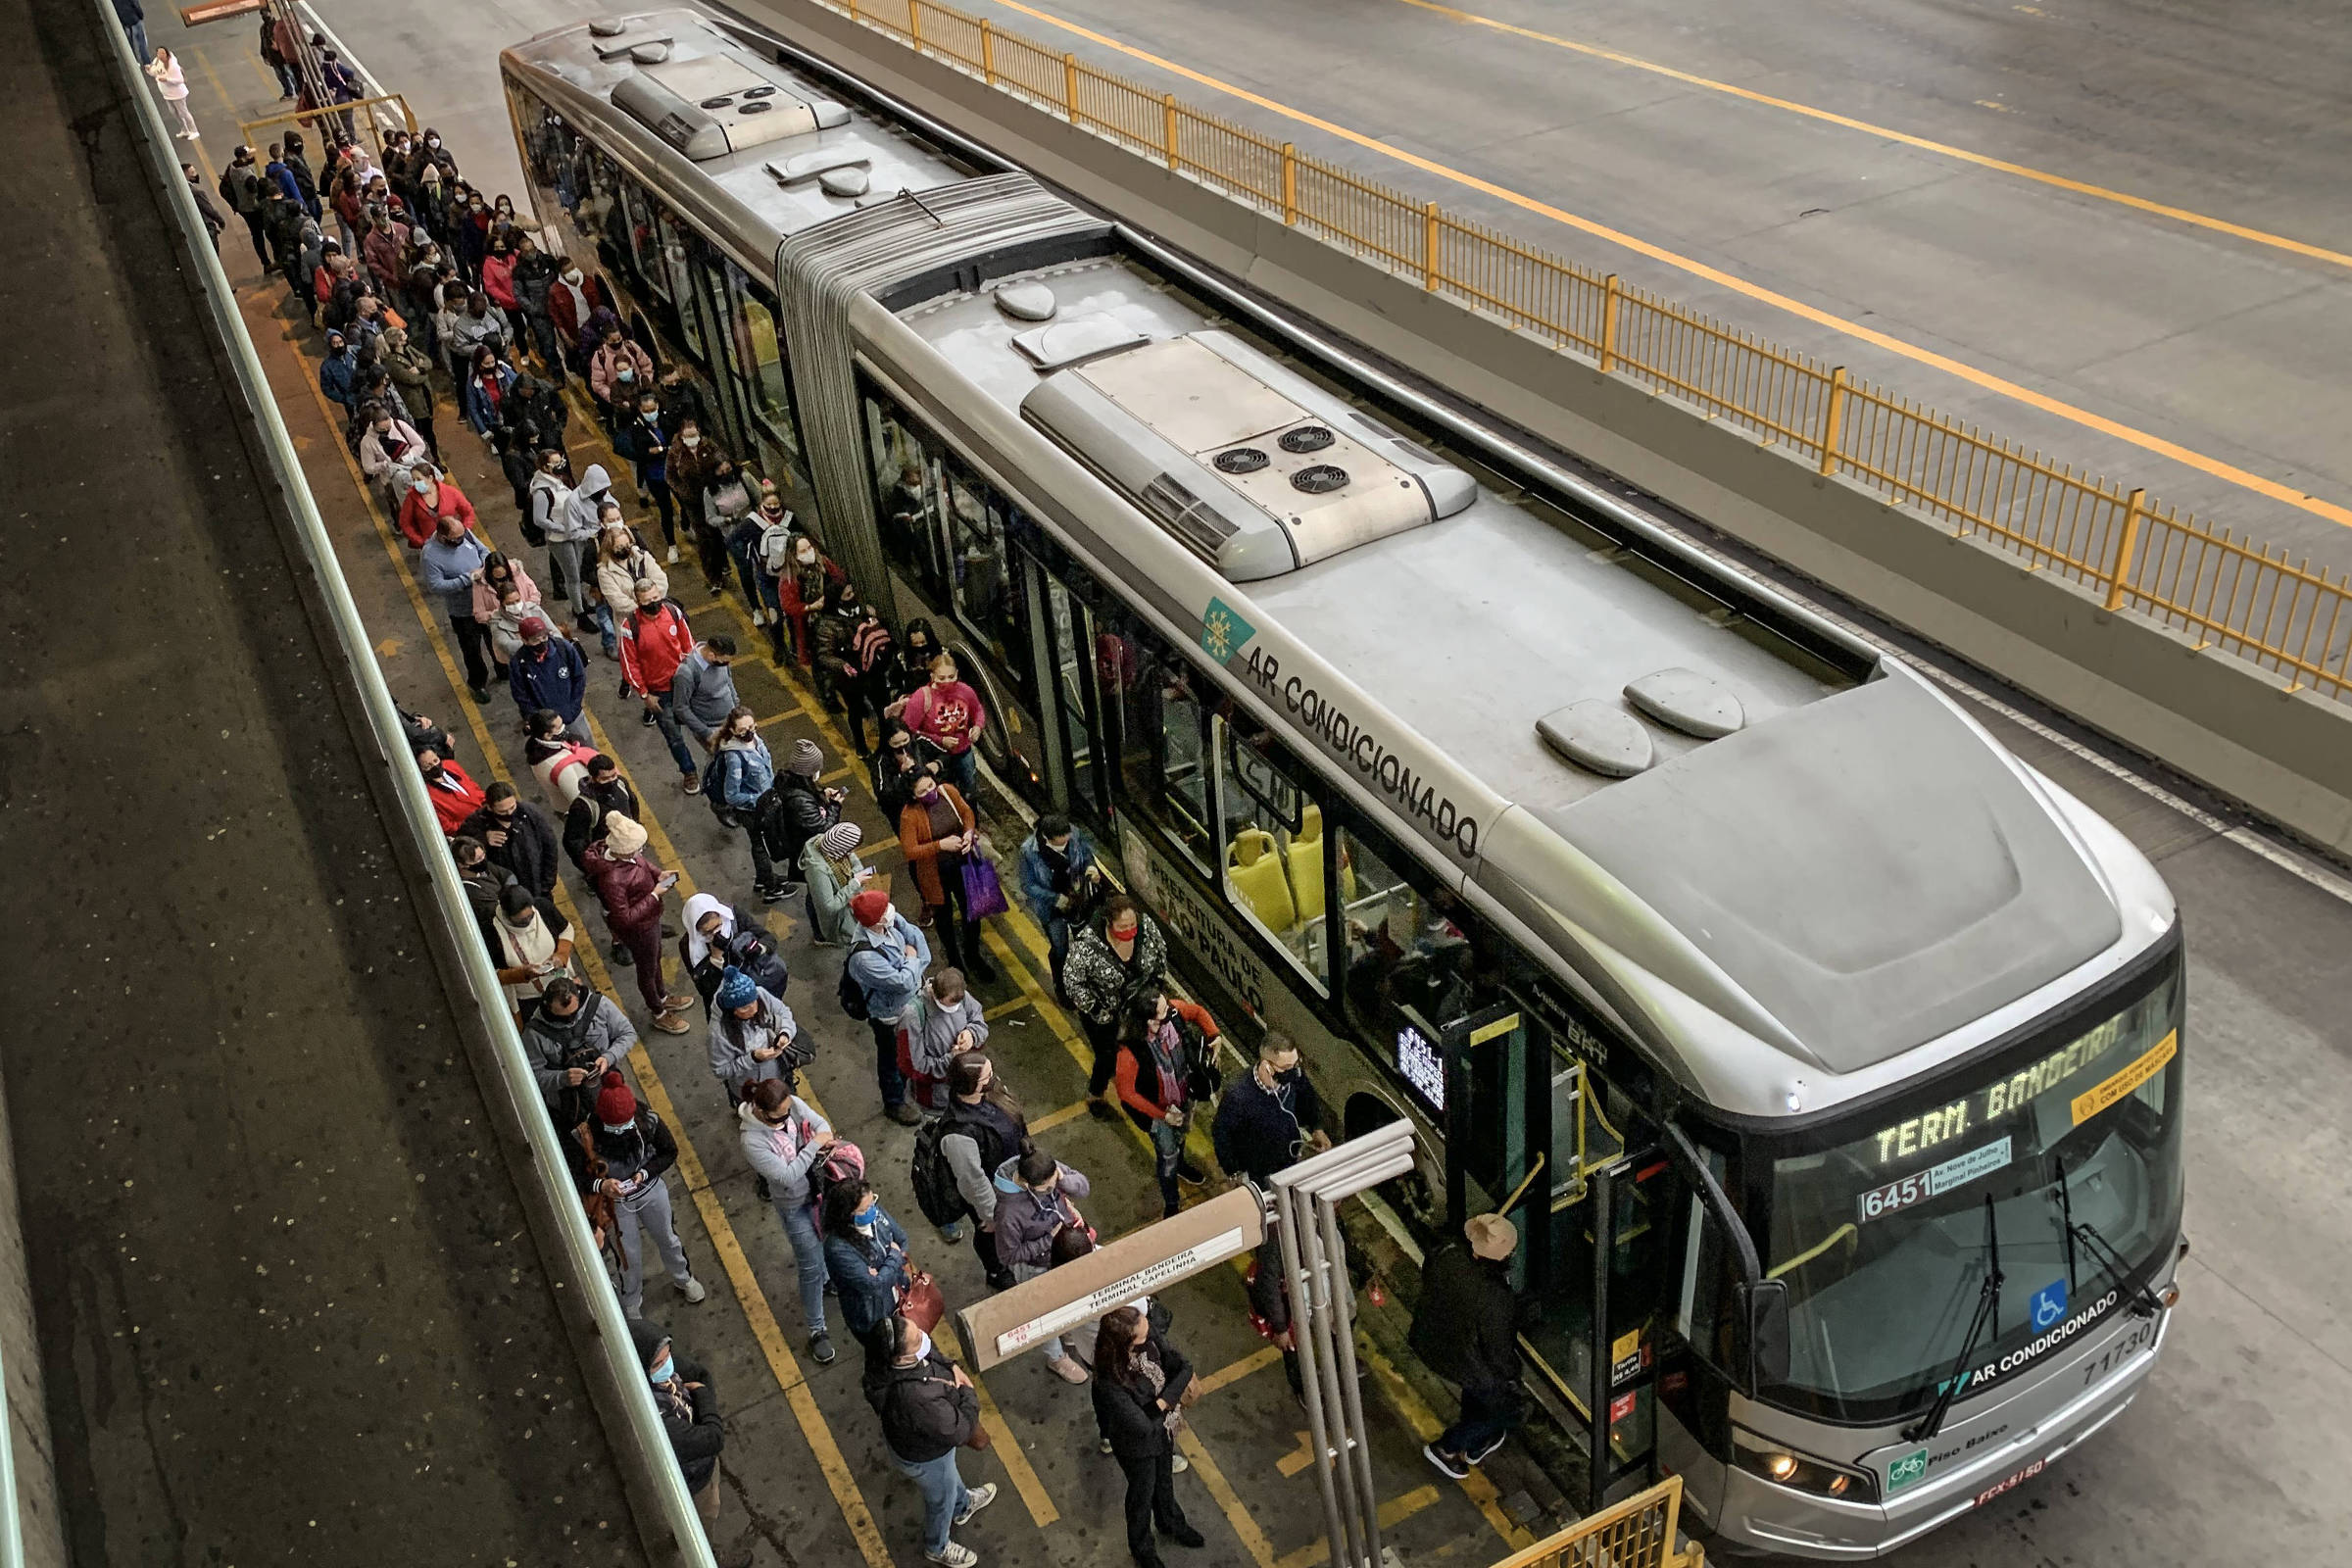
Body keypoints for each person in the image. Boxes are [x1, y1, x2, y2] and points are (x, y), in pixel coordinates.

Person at [864, 1312, 996, 1568]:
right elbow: (958, 1431)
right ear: (901, 1358)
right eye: (917, 1339)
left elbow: (930, 1354)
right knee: (940, 1500)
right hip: (926, 1457)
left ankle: (963, 1505)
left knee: (948, 1481)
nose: (923, 1338)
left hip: (925, 1448)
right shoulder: (916, 1399)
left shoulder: (885, 1361)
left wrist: (952, 1365)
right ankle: (937, 1546)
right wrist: (968, 1393)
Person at [629, 1319, 753, 1568]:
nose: (668, 1366)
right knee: (700, 1524)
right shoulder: (658, 1418)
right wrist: (704, 1397)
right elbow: (713, 1438)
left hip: (701, 1465)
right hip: (692, 1482)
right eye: (659, 1363)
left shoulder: (658, 1375)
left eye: (668, 1356)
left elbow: (700, 1373)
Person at [1411, 1213, 1524, 1480]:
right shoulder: (1495, 1299)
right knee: (1507, 1409)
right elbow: (1499, 1354)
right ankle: (1447, 1448)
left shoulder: (1447, 1254)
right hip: (1463, 1359)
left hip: (1431, 1338)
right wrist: (1512, 1376)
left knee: (1479, 1391)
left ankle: (1477, 1441)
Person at [1091, 1305, 1205, 1567]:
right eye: (1142, 1337)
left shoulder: (1146, 1335)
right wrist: (1167, 1400)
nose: (1149, 1336)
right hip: (1135, 1447)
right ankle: (1142, 1548)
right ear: (1125, 1345)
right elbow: (1141, 1426)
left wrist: (1159, 1405)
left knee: (1164, 1481)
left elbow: (1184, 1366)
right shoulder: (1109, 1380)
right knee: (1142, 1494)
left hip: (1161, 1430)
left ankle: (1170, 1523)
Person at [586, 1071, 709, 1314]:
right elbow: (578, 1172)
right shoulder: (586, 1136)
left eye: (625, 1123)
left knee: (668, 1237)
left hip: (651, 1190)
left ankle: (683, 1277)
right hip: (616, 1203)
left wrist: (645, 1172)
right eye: (616, 1125)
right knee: (627, 1253)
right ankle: (631, 1299)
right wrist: (602, 1186)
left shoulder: (648, 1121)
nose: (622, 1129)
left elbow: (669, 1151)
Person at [737, 1079, 838, 1364]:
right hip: (794, 1205)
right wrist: (814, 1145)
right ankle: (817, 1329)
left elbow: (821, 1124)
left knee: (828, 1245)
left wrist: (818, 1138)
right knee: (810, 1267)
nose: (786, 1116)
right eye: (779, 1115)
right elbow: (786, 1176)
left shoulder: (791, 1105)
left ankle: (829, 1281)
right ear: (760, 1111)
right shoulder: (752, 1141)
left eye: (788, 1109)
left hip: (820, 1189)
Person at [581, 812, 696, 1033]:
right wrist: (653, 895)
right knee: (647, 969)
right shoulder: (612, 879)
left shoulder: (625, 855)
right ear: (624, 850)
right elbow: (623, 918)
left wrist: (659, 874)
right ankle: (658, 1012)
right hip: (639, 929)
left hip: (649, 922)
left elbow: (642, 864)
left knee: (654, 960)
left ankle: (662, 995)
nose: (641, 852)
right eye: (637, 848)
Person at [991, 1147, 1093, 1385]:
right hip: (1036, 1267)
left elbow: (1083, 1187)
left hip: (1065, 1256)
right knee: (1043, 1315)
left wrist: (1064, 1180)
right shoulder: (1008, 1213)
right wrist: (1049, 1239)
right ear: (1026, 1184)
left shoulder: (1047, 1168)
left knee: (1067, 1300)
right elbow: (1008, 1255)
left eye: (1054, 1182)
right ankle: (1056, 1357)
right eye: (1046, 1189)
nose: (1052, 1190)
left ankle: (1066, 1328)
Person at [1066, 896, 1170, 1119]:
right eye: (1123, 927)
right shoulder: (1087, 946)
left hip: (1139, 1008)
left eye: (1133, 924)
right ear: (1108, 923)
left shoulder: (1146, 927)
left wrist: (1157, 987)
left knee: (1145, 1049)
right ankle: (1096, 1093)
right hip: (1105, 1015)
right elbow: (1073, 981)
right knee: (1107, 1058)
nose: (1130, 930)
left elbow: (1161, 951)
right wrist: (1095, 1009)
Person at [1115, 992, 1215, 1218]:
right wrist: (1162, 1115)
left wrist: (1213, 1033)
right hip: (1159, 1113)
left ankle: (1181, 1164)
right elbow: (1127, 1093)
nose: (1170, 1010)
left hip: (1183, 1097)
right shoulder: (1129, 1052)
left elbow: (1197, 1011)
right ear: (1149, 1021)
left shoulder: (1173, 1015)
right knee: (1166, 1156)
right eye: (1163, 1011)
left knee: (1181, 1136)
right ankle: (1172, 1200)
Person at [935, 1054, 1027, 1289]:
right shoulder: (958, 1135)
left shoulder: (992, 1093)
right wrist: (992, 1216)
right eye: (986, 1076)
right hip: (994, 1195)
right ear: (970, 1086)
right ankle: (996, 1270)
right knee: (990, 1236)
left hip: (1014, 1180)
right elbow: (973, 1183)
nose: (993, 1078)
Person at [899, 769, 995, 983]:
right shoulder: (909, 815)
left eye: (931, 786)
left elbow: (966, 812)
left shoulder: (948, 792)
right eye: (922, 791)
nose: (930, 793)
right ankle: (954, 960)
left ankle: (973, 955)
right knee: (944, 918)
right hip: (936, 873)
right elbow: (910, 850)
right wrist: (940, 845)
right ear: (914, 795)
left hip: (963, 865)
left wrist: (969, 832)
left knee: (973, 911)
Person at [845, 887, 928, 1127]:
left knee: (909, 1049)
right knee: (892, 1058)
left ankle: (909, 1077)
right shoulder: (864, 958)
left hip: (910, 1002)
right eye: (885, 909)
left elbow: (919, 941)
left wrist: (912, 963)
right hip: (889, 1015)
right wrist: (912, 960)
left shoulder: (889, 921)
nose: (892, 911)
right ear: (876, 919)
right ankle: (894, 1102)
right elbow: (902, 983)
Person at [521, 975, 630, 1157]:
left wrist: (608, 1057)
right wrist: (562, 1078)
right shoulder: (534, 1034)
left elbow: (627, 1033)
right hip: (570, 1107)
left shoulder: (598, 1005)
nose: (570, 1021)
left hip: (609, 1089)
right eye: (562, 1018)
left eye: (574, 1013)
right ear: (548, 1008)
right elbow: (531, 1077)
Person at [1211, 1033, 1330, 1189]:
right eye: (1287, 1068)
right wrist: (1234, 1171)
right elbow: (1221, 1134)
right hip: (1259, 1170)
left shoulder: (1294, 1077)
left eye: (1295, 1064)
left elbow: (1307, 1097)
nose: (1294, 1071)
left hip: (1290, 1155)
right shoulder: (1238, 1096)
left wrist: (1317, 1127)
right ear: (1267, 1066)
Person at [619, 581, 703, 791]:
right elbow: (630, 664)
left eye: (656, 598)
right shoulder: (630, 628)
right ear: (638, 602)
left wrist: (693, 674)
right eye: (647, 601)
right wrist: (645, 695)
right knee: (674, 736)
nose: (654, 604)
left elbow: (688, 644)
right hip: (659, 693)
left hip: (684, 685)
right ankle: (688, 771)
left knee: (703, 725)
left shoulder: (673, 612)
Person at [708, 708, 790, 901]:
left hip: (767, 802)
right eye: (743, 730)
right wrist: (759, 800)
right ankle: (771, 888)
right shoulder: (734, 757)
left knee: (761, 844)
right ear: (733, 731)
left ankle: (763, 879)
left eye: (752, 726)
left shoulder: (755, 742)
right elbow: (732, 795)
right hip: (753, 812)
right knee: (760, 846)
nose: (749, 732)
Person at [821, 1180, 912, 1351]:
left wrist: (882, 1272)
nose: (873, 1211)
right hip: (873, 1317)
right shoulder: (838, 1248)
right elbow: (874, 1286)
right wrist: (894, 1256)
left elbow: (902, 1240)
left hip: (900, 1297)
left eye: (872, 1203)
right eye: (864, 1210)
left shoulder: (877, 1215)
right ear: (846, 1215)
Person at [1017, 813, 1101, 998]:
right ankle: (1062, 986)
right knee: (1060, 948)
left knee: (1086, 941)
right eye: (1061, 844)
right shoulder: (1029, 852)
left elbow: (1087, 854)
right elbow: (1027, 885)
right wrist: (1056, 899)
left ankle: (1086, 980)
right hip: (1051, 908)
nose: (1066, 845)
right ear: (1047, 838)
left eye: (1068, 840)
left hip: (1078, 898)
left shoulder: (1074, 834)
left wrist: (1091, 867)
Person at [419, 511, 495, 702]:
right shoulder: (430, 556)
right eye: (456, 538)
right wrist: (466, 579)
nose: (461, 540)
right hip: (463, 611)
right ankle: (478, 684)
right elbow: (436, 586)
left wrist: (484, 567)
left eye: (462, 536)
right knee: (472, 650)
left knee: (495, 637)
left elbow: (483, 550)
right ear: (443, 537)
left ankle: (502, 667)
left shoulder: (466, 535)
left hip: (486, 601)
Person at [705, 965, 806, 1104]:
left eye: (754, 1002)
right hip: (749, 1091)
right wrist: (752, 1059)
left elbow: (784, 1011)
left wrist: (785, 1033)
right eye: (744, 1007)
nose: (753, 1009)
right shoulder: (718, 1034)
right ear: (731, 1010)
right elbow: (720, 1070)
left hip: (779, 1076)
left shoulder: (761, 994)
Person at [678, 893, 789, 1015]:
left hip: (756, 986)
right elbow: (704, 989)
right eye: (707, 933)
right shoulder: (689, 946)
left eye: (718, 926)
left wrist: (758, 948)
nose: (716, 934)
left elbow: (767, 937)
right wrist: (716, 958)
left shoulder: (733, 917)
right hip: (728, 1007)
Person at [905, 967, 989, 1118]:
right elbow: (916, 1066)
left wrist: (971, 1034)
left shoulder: (960, 996)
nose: (954, 1008)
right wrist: (951, 1059)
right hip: (938, 1101)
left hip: (966, 1093)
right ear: (935, 994)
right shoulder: (913, 1015)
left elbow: (979, 1021)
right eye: (949, 1004)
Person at [902, 654, 988, 795]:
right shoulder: (921, 698)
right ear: (932, 676)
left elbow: (977, 709)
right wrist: (940, 740)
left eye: (951, 677)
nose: (947, 682)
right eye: (941, 678)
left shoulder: (965, 691)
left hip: (963, 751)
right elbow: (910, 729)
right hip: (936, 756)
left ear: (957, 674)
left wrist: (978, 726)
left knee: (970, 786)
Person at [489, 881, 573, 1025]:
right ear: (507, 916)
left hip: (560, 984)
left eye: (530, 916)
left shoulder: (542, 907)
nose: (528, 922)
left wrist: (561, 955)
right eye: (521, 921)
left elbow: (566, 929)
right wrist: (523, 974)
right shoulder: (492, 932)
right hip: (529, 999)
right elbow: (493, 974)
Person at [461, 779, 561, 900]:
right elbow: (461, 848)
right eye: (502, 811)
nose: (509, 813)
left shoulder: (530, 813)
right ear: (489, 808)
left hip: (538, 886)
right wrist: (483, 839)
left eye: (512, 807)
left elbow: (549, 846)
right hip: (508, 891)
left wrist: (546, 884)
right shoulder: (476, 823)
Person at [593, 514, 667, 664]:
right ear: (610, 548)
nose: (625, 549)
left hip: (659, 613)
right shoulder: (604, 571)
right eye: (620, 547)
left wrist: (652, 601)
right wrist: (644, 607)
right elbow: (617, 601)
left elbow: (661, 581)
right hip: (631, 623)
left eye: (627, 545)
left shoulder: (643, 557)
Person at [508, 613, 588, 740]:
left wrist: (574, 708)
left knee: (586, 747)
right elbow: (521, 696)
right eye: (535, 640)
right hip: (547, 727)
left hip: (573, 716)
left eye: (544, 637)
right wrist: (539, 720)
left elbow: (579, 678)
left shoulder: (563, 649)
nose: (541, 642)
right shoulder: (519, 663)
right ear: (524, 640)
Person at [616, 390, 677, 555]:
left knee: (685, 503)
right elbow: (641, 453)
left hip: (675, 470)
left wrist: (658, 450)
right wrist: (660, 451)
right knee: (666, 509)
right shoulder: (637, 428)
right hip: (655, 475)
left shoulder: (667, 419)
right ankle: (672, 544)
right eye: (646, 411)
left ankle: (685, 526)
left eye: (653, 409)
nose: (651, 413)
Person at [561, 752, 640, 876]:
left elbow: (632, 803)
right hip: (607, 859)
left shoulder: (621, 783)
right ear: (593, 778)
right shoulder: (583, 807)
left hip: (628, 847)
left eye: (613, 775)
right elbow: (574, 842)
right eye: (605, 779)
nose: (612, 781)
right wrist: (591, 868)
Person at [470, 551, 542, 679]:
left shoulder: (517, 572)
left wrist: (524, 608)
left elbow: (535, 594)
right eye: (497, 578)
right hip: (503, 627)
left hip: (528, 623)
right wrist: (498, 615)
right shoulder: (480, 584)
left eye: (504, 578)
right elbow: (479, 614)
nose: (502, 582)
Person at [802, 821, 872, 949]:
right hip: (838, 916)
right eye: (851, 849)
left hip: (843, 899)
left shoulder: (830, 844)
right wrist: (854, 883)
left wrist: (856, 875)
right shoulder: (818, 871)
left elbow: (854, 860)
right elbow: (829, 906)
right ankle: (823, 938)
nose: (852, 853)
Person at [670, 635, 741, 754]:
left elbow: (728, 680)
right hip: (713, 728)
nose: (726, 664)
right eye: (724, 661)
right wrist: (707, 733)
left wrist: (737, 708)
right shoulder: (686, 673)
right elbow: (680, 708)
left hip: (733, 720)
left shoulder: (722, 661)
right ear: (712, 656)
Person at [379, 327, 441, 458]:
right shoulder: (393, 362)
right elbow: (411, 379)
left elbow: (428, 362)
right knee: (422, 433)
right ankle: (430, 458)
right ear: (398, 341)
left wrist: (419, 368)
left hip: (425, 396)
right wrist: (425, 375)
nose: (406, 336)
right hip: (415, 404)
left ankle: (435, 457)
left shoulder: (409, 349)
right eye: (403, 335)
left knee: (430, 430)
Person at [356, 403, 430, 510]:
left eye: (388, 428)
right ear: (373, 425)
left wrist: (408, 457)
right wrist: (386, 464)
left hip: (417, 474)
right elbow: (368, 467)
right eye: (382, 430)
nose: (387, 431)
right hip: (393, 482)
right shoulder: (367, 442)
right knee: (406, 510)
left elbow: (419, 444)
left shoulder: (399, 425)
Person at [589, 327, 655, 437]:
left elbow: (646, 365)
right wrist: (615, 398)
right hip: (620, 403)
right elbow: (598, 384)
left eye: (619, 338)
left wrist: (645, 385)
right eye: (613, 341)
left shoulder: (631, 347)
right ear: (605, 340)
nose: (617, 342)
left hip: (639, 395)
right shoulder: (600, 356)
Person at [872, 720, 939, 824]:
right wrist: (901, 775)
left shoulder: (919, 740)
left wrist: (937, 764)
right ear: (887, 742)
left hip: (931, 798)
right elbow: (883, 794)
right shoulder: (880, 761)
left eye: (905, 740)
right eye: (896, 743)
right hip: (903, 809)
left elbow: (945, 754)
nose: (902, 745)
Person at [397, 463, 475, 549]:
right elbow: (405, 523)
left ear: (430, 478)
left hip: (454, 541)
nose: (415, 483)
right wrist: (420, 541)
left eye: (419, 479)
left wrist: (463, 532)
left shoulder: (450, 492)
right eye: (413, 480)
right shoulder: (411, 498)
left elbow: (468, 512)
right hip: (431, 545)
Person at [416, 743, 485, 835]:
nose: (435, 766)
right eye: (428, 766)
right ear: (421, 770)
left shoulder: (450, 765)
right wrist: (473, 826)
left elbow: (475, 788)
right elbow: (448, 828)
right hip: (473, 832)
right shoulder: (429, 797)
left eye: (435, 760)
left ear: (437, 755)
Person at [220, 146, 269, 265]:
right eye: (249, 155)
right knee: (265, 231)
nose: (252, 157)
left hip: (242, 208)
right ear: (243, 157)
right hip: (254, 208)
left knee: (255, 235)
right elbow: (254, 191)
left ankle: (265, 261)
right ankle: (273, 260)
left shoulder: (232, 167)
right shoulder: (248, 176)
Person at [145, 48, 198, 139]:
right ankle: (184, 130)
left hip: (177, 94)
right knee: (174, 112)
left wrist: (167, 80)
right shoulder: (157, 61)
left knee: (183, 112)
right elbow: (154, 73)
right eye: (158, 53)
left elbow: (180, 80)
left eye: (162, 53)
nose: (159, 55)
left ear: (167, 54)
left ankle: (194, 130)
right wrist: (149, 70)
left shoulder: (173, 66)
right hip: (167, 94)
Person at [317, 328, 360, 415]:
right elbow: (327, 389)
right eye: (335, 343)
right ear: (330, 346)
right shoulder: (327, 366)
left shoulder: (352, 352)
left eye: (340, 342)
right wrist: (343, 399)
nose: (339, 345)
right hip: (351, 402)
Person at [184, 164, 225, 249]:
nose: (196, 175)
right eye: (193, 172)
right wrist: (220, 221)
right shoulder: (196, 192)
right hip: (207, 227)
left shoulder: (185, 190)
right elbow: (209, 209)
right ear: (186, 175)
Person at [114, 0, 148, 65]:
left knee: (130, 45)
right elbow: (136, 5)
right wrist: (141, 15)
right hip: (135, 20)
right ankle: (146, 61)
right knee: (141, 43)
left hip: (125, 23)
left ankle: (135, 62)